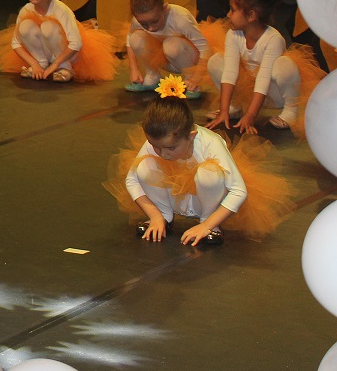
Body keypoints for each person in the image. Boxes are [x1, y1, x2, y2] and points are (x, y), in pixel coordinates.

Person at [106, 74, 291, 246]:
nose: (163, 154)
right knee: (143, 167)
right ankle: (164, 216)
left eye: (171, 148)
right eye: (156, 146)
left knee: (209, 173)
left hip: (206, 200)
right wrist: (153, 215)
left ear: (191, 136)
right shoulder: (157, 141)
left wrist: (207, 225)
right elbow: (132, 179)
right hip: (173, 198)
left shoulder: (210, 143)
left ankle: (208, 221)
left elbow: (238, 190)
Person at [204, 0, 323, 136]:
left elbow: (263, 78)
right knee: (216, 61)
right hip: (249, 91)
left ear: (251, 15)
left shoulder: (273, 39)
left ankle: (290, 111)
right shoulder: (233, 34)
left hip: (274, 95)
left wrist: (251, 116)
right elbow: (229, 72)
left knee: (285, 65)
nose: (228, 14)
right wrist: (224, 110)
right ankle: (235, 107)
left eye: (232, 10)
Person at [0, 0, 118, 83]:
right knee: (25, 26)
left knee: (48, 27)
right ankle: (41, 63)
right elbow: (16, 43)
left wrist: (57, 64)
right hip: (46, 52)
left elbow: (76, 43)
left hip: (68, 54)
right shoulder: (26, 9)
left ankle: (65, 68)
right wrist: (34, 64)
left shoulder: (61, 9)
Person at [124, 0, 209, 95]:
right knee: (135, 38)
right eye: (144, 24)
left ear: (165, 9)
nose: (151, 28)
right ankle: (152, 75)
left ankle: (189, 81)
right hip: (162, 60)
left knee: (171, 45)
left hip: (186, 58)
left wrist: (196, 77)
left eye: (155, 21)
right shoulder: (137, 20)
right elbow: (129, 40)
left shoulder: (180, 19)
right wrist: (134, 69)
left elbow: (205, 47)